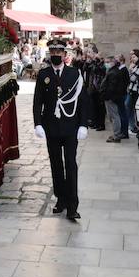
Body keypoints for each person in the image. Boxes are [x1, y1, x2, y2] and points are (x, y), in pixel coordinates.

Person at [33, 40, 88, 222]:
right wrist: (37, 123)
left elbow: (82, 100)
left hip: (70, 127)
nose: (56, 55)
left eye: (59, 52)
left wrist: (83, 124)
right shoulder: (44, 74)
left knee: (70, 164)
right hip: (51, 127)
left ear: (65, 54)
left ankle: (73, 206)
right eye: (53, 52)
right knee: (56, 165)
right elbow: (38, 101)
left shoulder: (74, 73)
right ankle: (61, 199)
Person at [102, 56, 130, 142]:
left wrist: (107, 96)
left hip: (111, 98)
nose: (106, 64)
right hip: (111, 97)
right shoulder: (113, 71)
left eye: (107, 62)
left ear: (112, 62)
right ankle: (116, 133)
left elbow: (112, 87)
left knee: (114, 116)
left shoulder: (114, 72)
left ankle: (117, 135)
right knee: (113, 116)